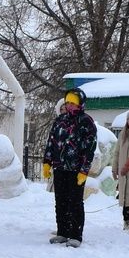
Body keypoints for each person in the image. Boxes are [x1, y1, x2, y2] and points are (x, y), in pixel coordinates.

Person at [42, 88, 97, 247]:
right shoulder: (59, 120)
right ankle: (62, 232)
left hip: (76, 170)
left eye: (73, 102)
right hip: (60, 168)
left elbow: (90, 148)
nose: (69, 105)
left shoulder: (86, 122)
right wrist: (47, 162)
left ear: (80, 104)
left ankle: (75, 235)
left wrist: (84, 170)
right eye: (67, 103)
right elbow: (51, 142)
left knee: (75, 202)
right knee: (61, 201)